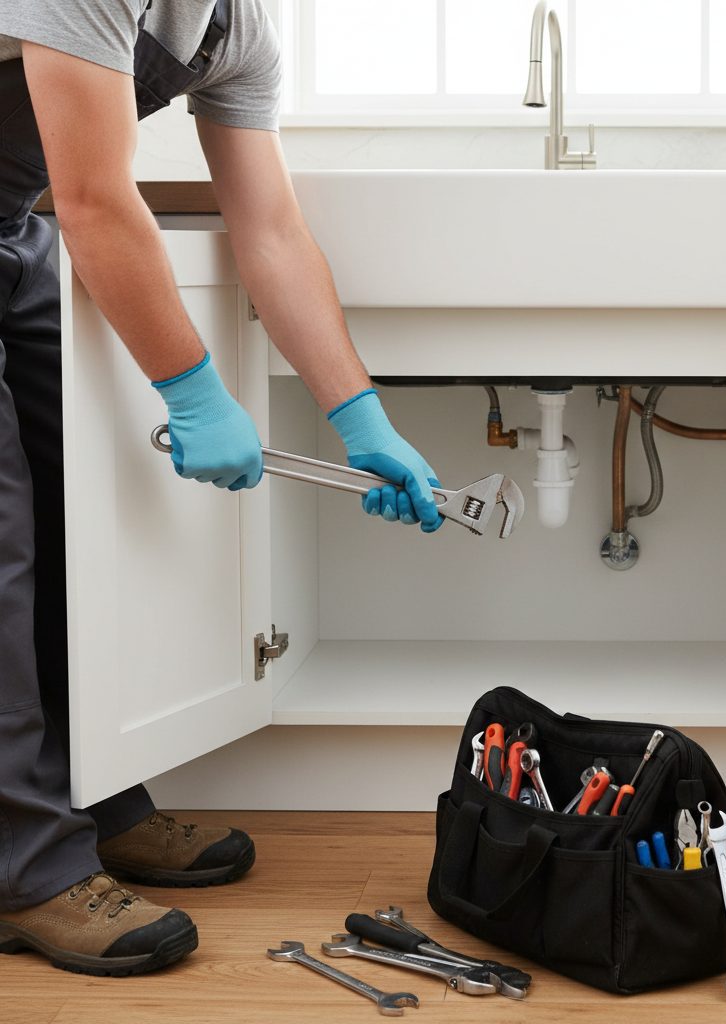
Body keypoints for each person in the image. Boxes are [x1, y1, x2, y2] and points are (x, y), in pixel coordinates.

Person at [0, 0, 441, 976]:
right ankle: (24, 864)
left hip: (7, 232)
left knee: (80, 523)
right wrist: (194, 392)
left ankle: (92, 794)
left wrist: (361, 420)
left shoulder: (231, 32)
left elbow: (273, 230)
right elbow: (94, 197)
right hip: (50, 214)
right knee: (3, 550)